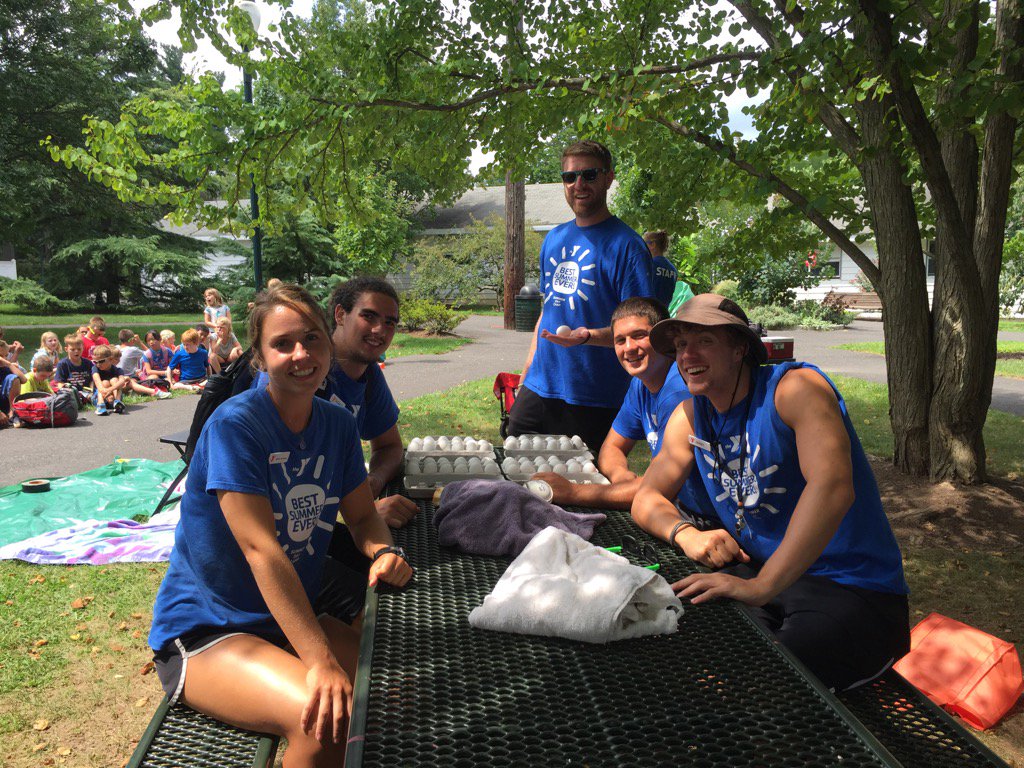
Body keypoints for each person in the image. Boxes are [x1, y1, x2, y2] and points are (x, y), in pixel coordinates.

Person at [149, 283, 413, 767]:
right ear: (260, 355)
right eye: (282, 343)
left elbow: (360, 516)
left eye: (312, 339)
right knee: (326, 718)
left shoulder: (335, 423)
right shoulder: (236, 427)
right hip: (209, 631)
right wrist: (320, 661)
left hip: (289, 619)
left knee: (397, 699)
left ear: (329, 346)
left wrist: (383, 552)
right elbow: (261, 551)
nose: (301, 354)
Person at [632, 293, 910, 691]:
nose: (687, 355)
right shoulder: (693, 414)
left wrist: (760, 587)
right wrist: (686, 534)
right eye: (680, 345)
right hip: (765, 577)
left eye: (704, 341)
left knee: (764, 682)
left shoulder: (795, 389)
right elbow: (646, 498)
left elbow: (832, 487)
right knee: (675, 643)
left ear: (739, 348)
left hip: (853, 587)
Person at [509, 140, 656, 452]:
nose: (578, 184)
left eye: (589, 175)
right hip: (538, 387)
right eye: (569, 177)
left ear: (608, 178)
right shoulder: (553, 239)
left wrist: (587, 336)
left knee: (577, 491)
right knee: (515, 471)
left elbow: (643, 331)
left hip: (594, 395)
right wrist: (524, 380)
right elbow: (546, 314)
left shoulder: (628, 247)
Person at [251, 277, 417, 532]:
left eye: (389, 322)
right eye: (369, 316)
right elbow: (279, 482)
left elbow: (389, 446)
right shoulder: (293, 377)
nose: (379, 330)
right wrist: (360, 509)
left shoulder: (368, 376)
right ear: (340, 314)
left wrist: (370, 485)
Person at [530, 297, 713, 518]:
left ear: (663, 340)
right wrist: (622, 478)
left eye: (639, 336)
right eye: (620, 340)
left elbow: (652, 488)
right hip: (678, 506)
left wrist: (572, 492)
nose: (629, 348)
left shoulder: (678, 391)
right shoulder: (641, 384)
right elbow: (612, 448)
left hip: (704, 518)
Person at [90, 344, 129, 415]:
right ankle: (100, 405)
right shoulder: (95, 368)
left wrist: (110, 389)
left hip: (114, 397)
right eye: (95, 362)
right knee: (104, 382)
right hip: (99, 397)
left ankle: (117, 402)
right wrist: (106, 391)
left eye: (101, 361)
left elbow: (122, 381)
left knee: (114, 380)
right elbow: (98, 383)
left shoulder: (118, 370)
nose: (98, 364)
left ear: (110, 359)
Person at [643, 231, 678, 308]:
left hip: (647, 311)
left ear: (652, 244)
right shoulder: (673, 270)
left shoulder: (648, 264)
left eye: (644, 243)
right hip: (663, 313)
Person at [0, 344, 26, 427]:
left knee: (14, 378)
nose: (3, 359)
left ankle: (13, 413)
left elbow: (24, 379)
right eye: (1, 356)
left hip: (3, 402)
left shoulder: (6, 368)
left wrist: (9, 364)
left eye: (5, 356)